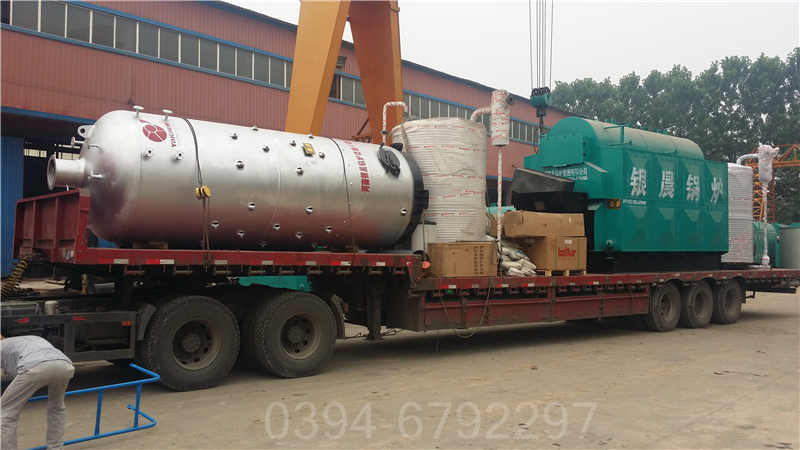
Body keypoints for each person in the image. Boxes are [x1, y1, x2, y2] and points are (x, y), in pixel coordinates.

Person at [1, 334, 75, 450]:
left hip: (35, 367)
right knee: (57, 408)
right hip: (65, 365)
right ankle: (55, 447)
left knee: (5, 412)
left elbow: (16, 372)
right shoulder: (28, 338)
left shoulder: (2, 346)